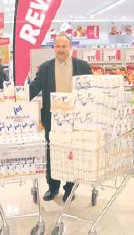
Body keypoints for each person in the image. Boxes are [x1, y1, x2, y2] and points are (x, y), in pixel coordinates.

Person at [30, 33, 92, 202]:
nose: (61, 50)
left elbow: (91, 91)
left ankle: (69, 188)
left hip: (75, 120)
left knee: (71, 154)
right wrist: (16, 100)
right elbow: (33, 88)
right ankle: (53, 187)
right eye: (58, 46)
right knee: (52, 153)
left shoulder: (83, 66)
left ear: (70, 48)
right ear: (54, 48)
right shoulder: (45, 68)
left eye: (64, 46)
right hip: (52, 119)